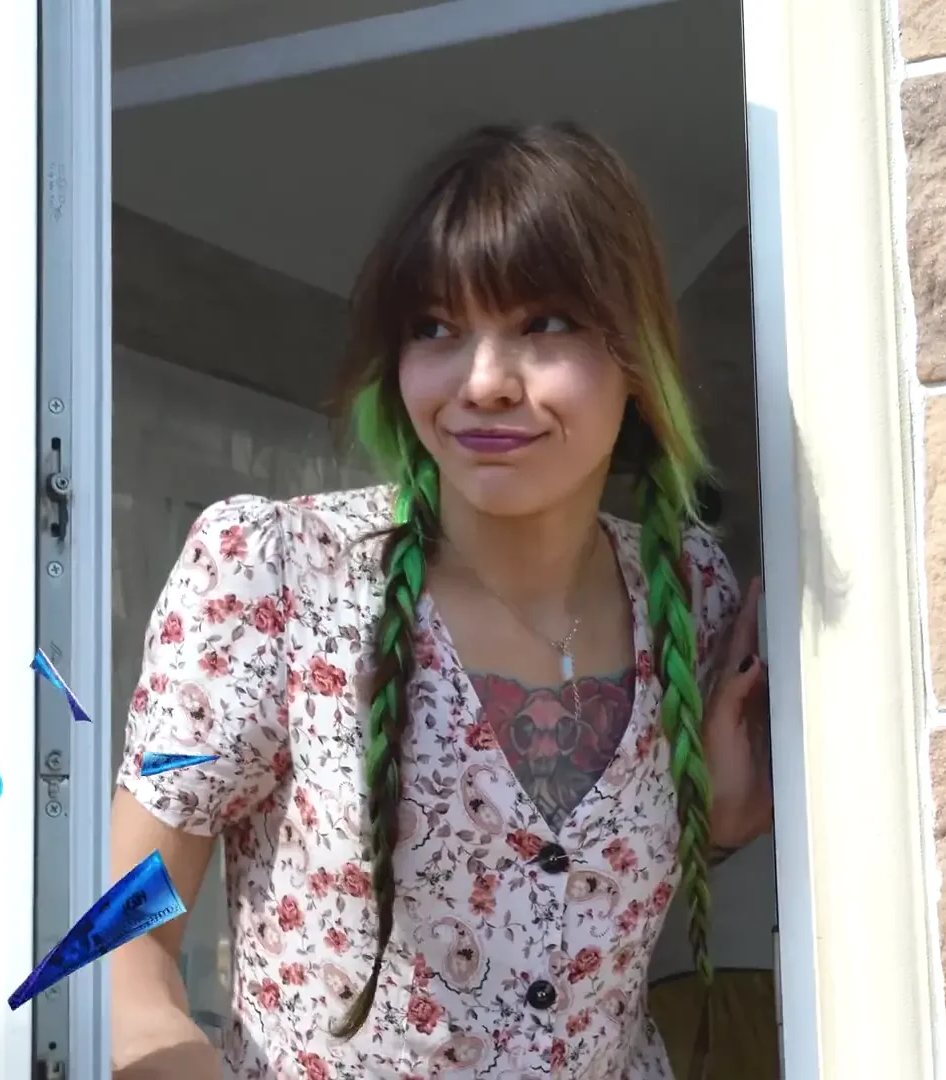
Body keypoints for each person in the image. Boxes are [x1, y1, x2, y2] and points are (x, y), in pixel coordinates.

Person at [108, 122, 774, 1080]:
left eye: (546, 323)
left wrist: (724, 820)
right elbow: (123, 944)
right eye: (434, 327)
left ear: (636, 357)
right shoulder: (276, 573)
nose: (484, 382)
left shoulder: (695, 593)